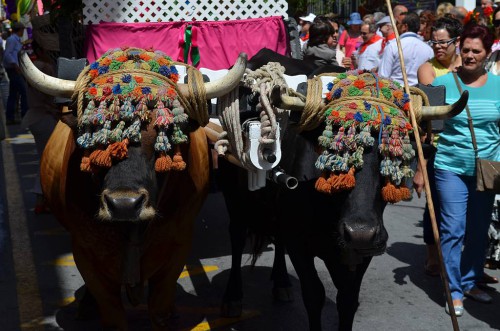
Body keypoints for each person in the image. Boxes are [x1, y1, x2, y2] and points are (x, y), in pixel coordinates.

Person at [432, 24, 500, 317]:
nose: (470, 56)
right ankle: (454, 290)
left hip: (487, 169)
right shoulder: (444, 84)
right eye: (466, 50)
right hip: (450, 166)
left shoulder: (498, 85)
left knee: (477, 230)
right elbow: (429, 129)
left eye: (477, 51)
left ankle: (470, 281)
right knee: (453, 230)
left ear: (488, 53)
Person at [415, 16, 463, 277]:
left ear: (457, 42)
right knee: (433, 201)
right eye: (434, 42)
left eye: (443, 43)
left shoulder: (467, 64)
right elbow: (430, 109)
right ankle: (433, 254)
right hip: (438, 143)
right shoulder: (427, 69)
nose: (438, 47)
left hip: (464, 142)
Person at [21, 40, 58, 214]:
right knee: (48, 159)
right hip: (45, 117)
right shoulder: (45, 67)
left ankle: (43, 197)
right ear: (42, 50)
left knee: (44, 156)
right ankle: (41, 196)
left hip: (35, 118)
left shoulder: (32, 66)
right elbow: (50, 97)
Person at [378, 12, 434, 86]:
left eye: (398, 23)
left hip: (398, 94)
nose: (395, 26)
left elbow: (383, 76)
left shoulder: (393, 46)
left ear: (405, 27)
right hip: (419, 94)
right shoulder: (428, 49)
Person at [2, 21, 28, 125]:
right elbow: (7, 55)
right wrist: (15, 65)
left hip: (15, 69)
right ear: (20, 30)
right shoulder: (12, 40)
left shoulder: (15, 40)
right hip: (14, 69)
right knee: (24, 91)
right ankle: (24, 115)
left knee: (13, 94)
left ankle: (10, 117)